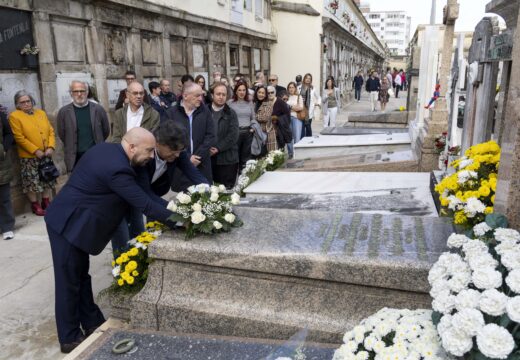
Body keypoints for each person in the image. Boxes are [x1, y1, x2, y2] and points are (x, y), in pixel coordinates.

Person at [44, 127, 176, 354]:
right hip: (66, 222)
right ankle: (69, 337)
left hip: (78, 222)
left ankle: (92, 321)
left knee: (80, 276)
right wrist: (185, 221)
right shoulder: (118, 169)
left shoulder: (109, 150)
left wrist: (181, 210)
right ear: (132, 147)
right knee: (68, 281)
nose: (151, 156)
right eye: (148, 151)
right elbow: (143, 204)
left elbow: (148, 196)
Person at [9, 90, 56, 216]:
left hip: (46, 153)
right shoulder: (15, 116)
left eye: (28, 101)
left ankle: (46, 201)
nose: (26, 104)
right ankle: (35, 205)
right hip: (29, 156)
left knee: (47, 178)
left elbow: (51, 131)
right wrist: (35, 150)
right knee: (32, 181)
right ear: (17, 104)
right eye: (22, 102)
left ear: (32, 101)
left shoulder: (41, 113)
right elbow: (19, 137)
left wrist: (51, 147)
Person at [164, 81, 215, 191]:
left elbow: (210, 135)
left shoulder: (205, 111)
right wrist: (187, 157)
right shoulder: (171, 113)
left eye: (201, 95)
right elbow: (169, 139)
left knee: (204, 197)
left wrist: (197, 156)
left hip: (202, 164)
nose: (200, 98)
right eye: (197, 95)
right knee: (182, 202)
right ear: (185, 96)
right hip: (180, 167)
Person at [57, 80, 110, 173]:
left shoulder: (98, 109)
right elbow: (62, 134)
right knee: (78, 184)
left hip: (95, 155)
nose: (79, 94)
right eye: (76, 91)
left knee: (97, 183)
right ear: (71, 93)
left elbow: (106, 131)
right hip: (75, 158)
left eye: (82, 91)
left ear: (87, 92)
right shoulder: (64, 112)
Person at [208, 82, 239, 189]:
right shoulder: (204, 112)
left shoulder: (231, 113)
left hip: (227, 160)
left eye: (224, 94)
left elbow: (233, 135)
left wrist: (218, 148)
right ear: (212, 95)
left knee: (225, 192)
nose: (221, 97)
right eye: (218, 94)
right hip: (208, 158)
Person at [228, 80, 255, 171]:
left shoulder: (249, 103)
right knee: (235, 158)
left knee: (246, 159)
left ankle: (244, 178)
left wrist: (252, 128)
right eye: (239, 90)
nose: (242, 92)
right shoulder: (230, 103)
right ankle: (234, 181)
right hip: (235, 133)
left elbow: (253, 117)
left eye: (244, 90)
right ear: (236, 91)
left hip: (247, 133)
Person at [0, 108, 14, 240]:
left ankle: (7, 227)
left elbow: (9, 134)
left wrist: (3, 148)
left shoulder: (1, 115)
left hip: (1, 164)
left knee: (4, 198)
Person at [269, 86, 292, 156]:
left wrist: (278, 119)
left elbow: (287, 115)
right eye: (268, 93)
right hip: (269, 129)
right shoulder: (265, 102)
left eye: (272, 92)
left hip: (279, 129)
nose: (270, 94)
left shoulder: (280, 102)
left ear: (275, 93)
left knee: (279, 147)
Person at [254, 85, 276, 156]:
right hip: (256, 134)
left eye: (263, 93)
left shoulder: (268, 104)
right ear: (256, 93)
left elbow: (265, 117)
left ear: (265, 94)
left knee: (269, 157)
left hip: (267, 133)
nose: (261, 94)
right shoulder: (253, 103)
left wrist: (254, 117)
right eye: (259, 92)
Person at [297, 73, 321, 138]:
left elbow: (319, 97)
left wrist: (317, 103)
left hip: (309, 111)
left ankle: (309, 140)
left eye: (309, 79)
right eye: (306, 78)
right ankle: (302, 141)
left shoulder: (313, 88)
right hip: (301, 110)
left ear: (311, 80)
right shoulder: (299, 88)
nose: (308, 80)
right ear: (304, 79)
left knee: (308, 127)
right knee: (301, 128)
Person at [286, 82, 304, 146]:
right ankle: (290, 153)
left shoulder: (299, 97)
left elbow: (300, 108)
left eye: (292, 87)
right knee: (289, 137)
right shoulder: (286, 97)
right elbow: (284, 108)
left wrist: (289, 107)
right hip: (287, 119)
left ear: (295, 88)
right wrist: (294, 107)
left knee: (297, 137)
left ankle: (296, 153)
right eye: (290, 87)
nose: (291, 89)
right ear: (288, 89)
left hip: (297, 118)